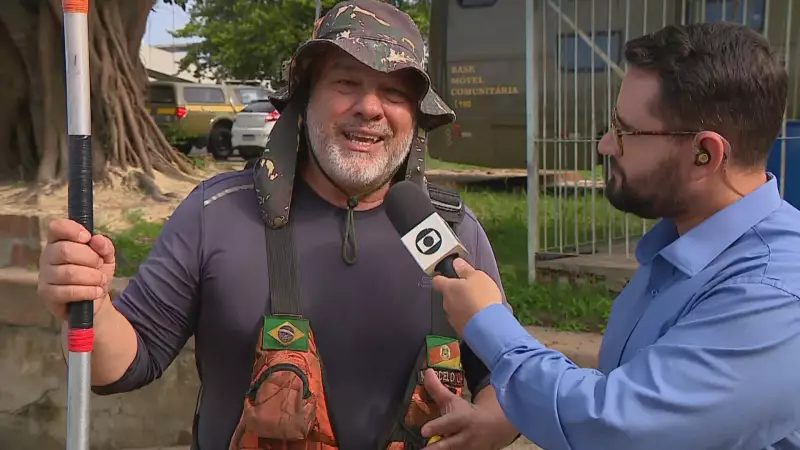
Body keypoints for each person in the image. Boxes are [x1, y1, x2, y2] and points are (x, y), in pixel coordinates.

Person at [36, 1, 519, 449]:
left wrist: (496, 422)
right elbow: (121, 366)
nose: (370, 108)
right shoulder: (218, 213)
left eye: (394, 92)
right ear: (305, 100)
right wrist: (89, 304)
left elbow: (508, 373)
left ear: (416, 117)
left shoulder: (455, 231)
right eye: (347, 83)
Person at [424, 21, 800, 450]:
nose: (605, 145)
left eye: (626, 131)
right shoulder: (679, 250)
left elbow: (615, 426)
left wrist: (487, 323)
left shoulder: (772, 291)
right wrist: (510, 418)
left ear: (705, 154)